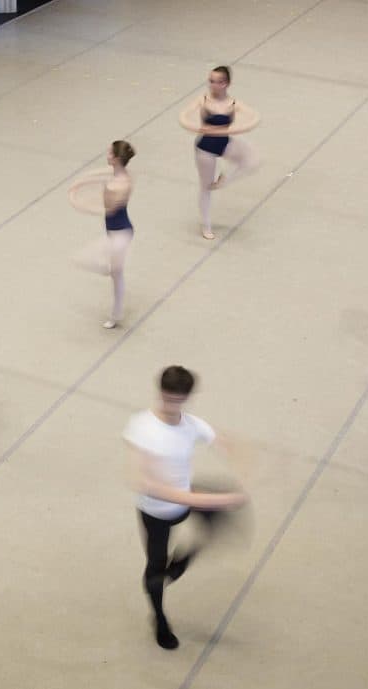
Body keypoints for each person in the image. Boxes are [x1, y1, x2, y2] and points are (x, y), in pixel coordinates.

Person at [124, 366, 249, 650]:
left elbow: (225, 444)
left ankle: (184, 559)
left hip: (185, 495)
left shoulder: (192, 425)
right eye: (167, 398)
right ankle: (159, 618)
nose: (171, 406)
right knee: (156, 570)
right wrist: (219, 500)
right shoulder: (141, 428)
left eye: (178, 400)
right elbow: (146, 484)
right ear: (160, 393)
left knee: (220, 524)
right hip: (156, 511)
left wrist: (243, 473)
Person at [178, 66, 260, 240]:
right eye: (211, 81)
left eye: (217, 82)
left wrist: (236, 129)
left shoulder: (233, 104)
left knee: (251, 161)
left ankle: (224, 180)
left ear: (226, 84)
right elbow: (183, 116)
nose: (213, 85)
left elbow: (254, 116)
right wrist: (197, 127)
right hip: (205, 148)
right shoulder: (204, 100)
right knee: (206, 188)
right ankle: (206, 225)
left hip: (225, 142)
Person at [68, 141, 136, 329]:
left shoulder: (117, 185)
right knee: (116, 274)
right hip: (116, 232)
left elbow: (108, 207)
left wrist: (83, 201)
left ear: (115, 158)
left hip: (119, 234)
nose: (106, 154)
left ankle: (115, 314)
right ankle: (116, 313)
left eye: (109, 153)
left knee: (87, 261)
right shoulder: (123, 176)